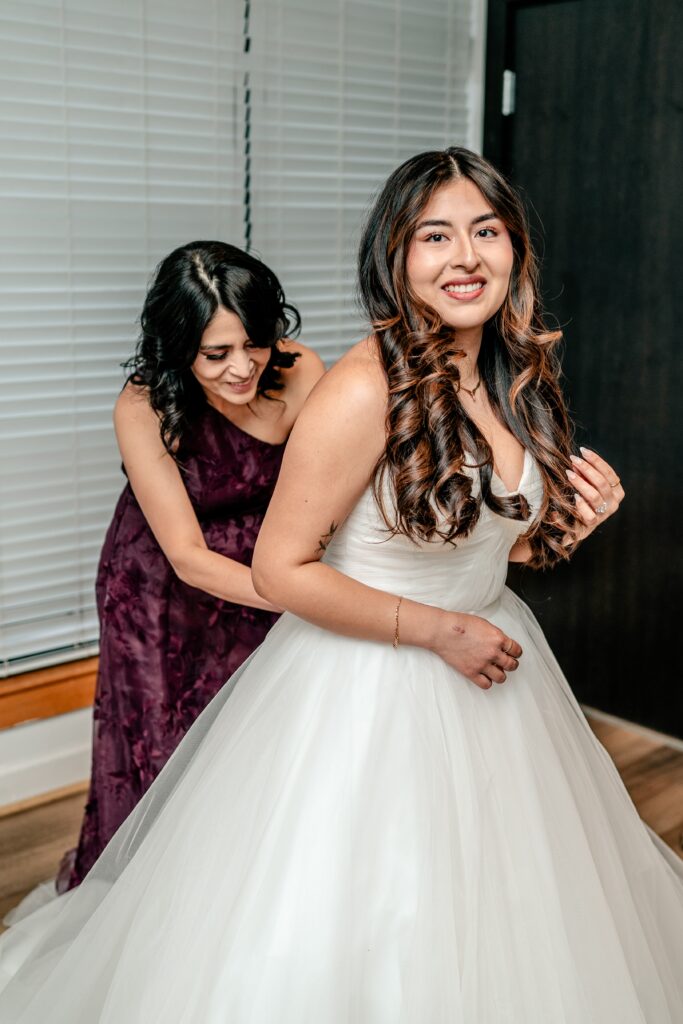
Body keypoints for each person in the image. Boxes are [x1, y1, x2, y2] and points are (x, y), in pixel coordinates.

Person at [1, 150, 682, 1021]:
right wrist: (438, 630)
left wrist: (571, 523)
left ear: (515, 246)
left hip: (495, 672)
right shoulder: (362, 388)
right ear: (394, 254)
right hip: (375, 679)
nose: (464, 256)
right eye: (434, 235)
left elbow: (485, 550)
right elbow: (283, 568)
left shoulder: (511, 376)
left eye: (484, 231)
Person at [56, 240, 325, 892]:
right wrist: (307, 595)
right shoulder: (142, 406)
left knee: (267, 737)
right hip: (164, 591)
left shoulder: (303, 372)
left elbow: (329, 491)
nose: (242, 367)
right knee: (169, 749)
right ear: (180, 348)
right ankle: (158, 901)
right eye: (215, 354)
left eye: (254, 344)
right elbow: (186, 556)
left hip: (267, 568)